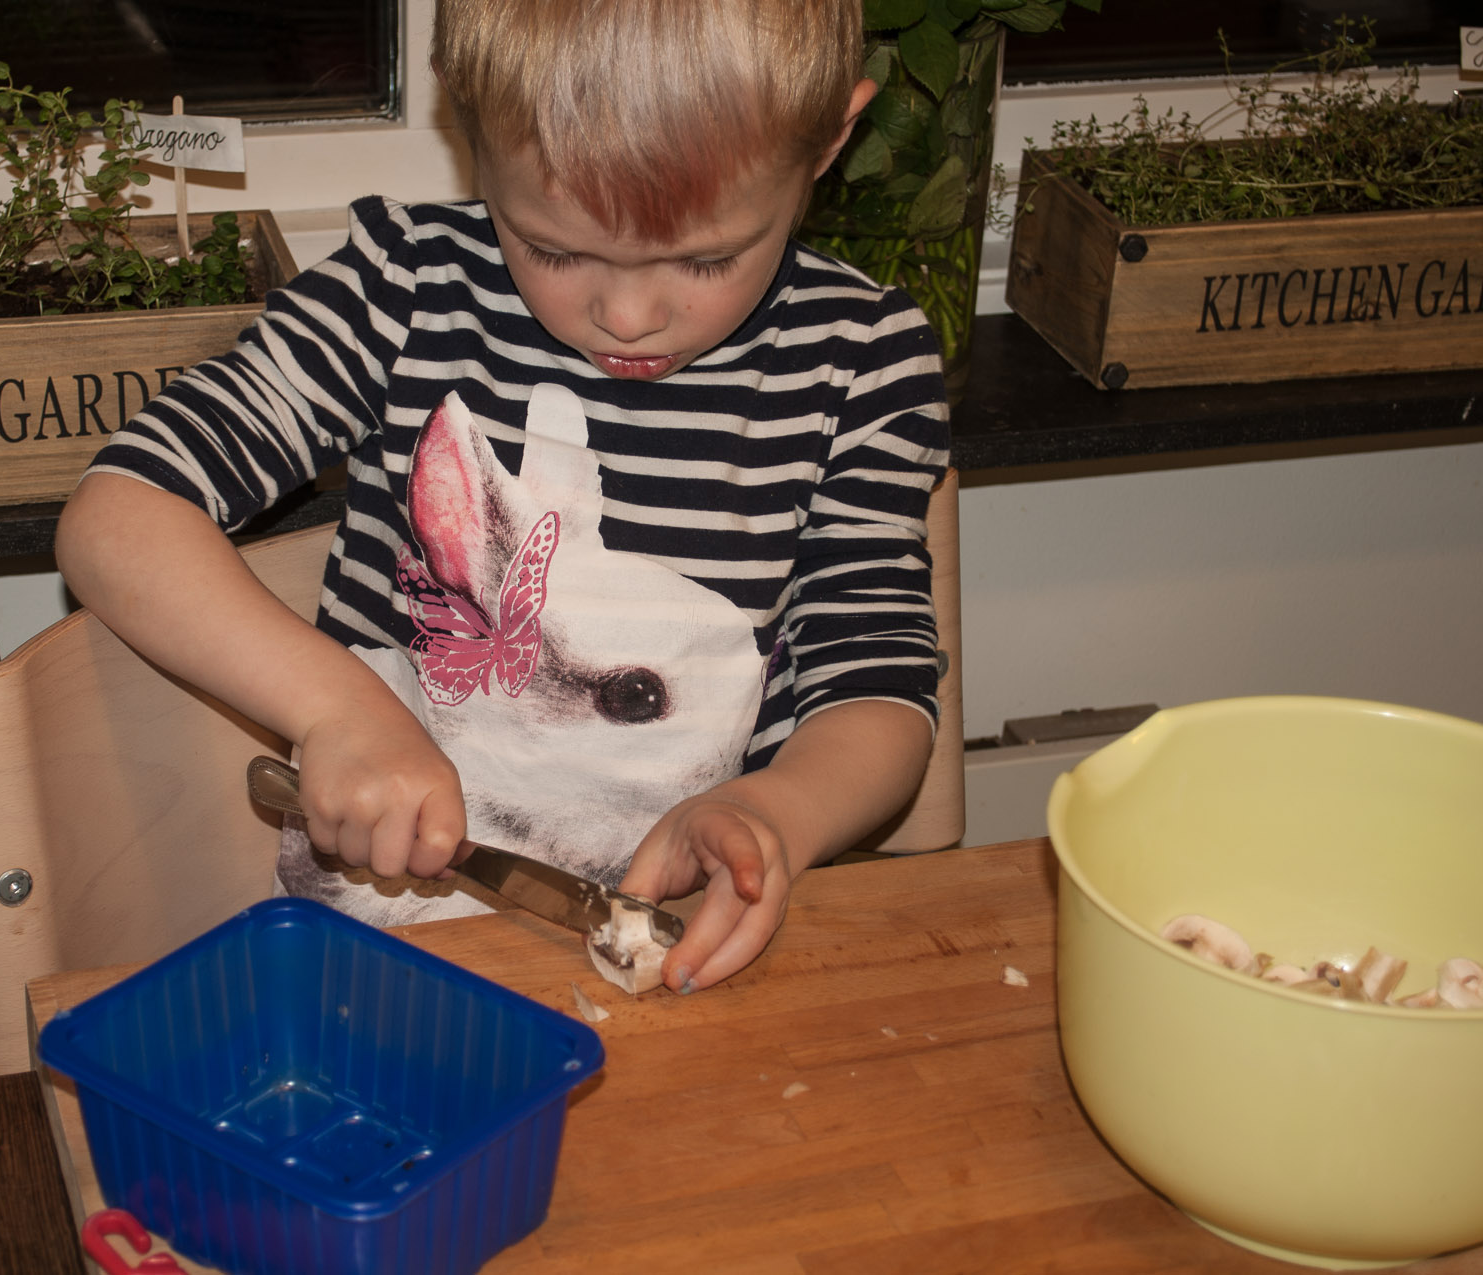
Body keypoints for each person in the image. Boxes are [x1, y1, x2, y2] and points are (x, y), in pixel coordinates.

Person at [55, 0, 950, 995]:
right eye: (558, 249)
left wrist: (782, 815)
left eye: (706, 258)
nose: (629, 314)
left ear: (830, 138)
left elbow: (876, 682)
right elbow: (119, 515)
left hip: (694, 958)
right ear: (470, 128)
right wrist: (338, 713)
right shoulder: (401, 294)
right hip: (393, 963)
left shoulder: (862, 362)